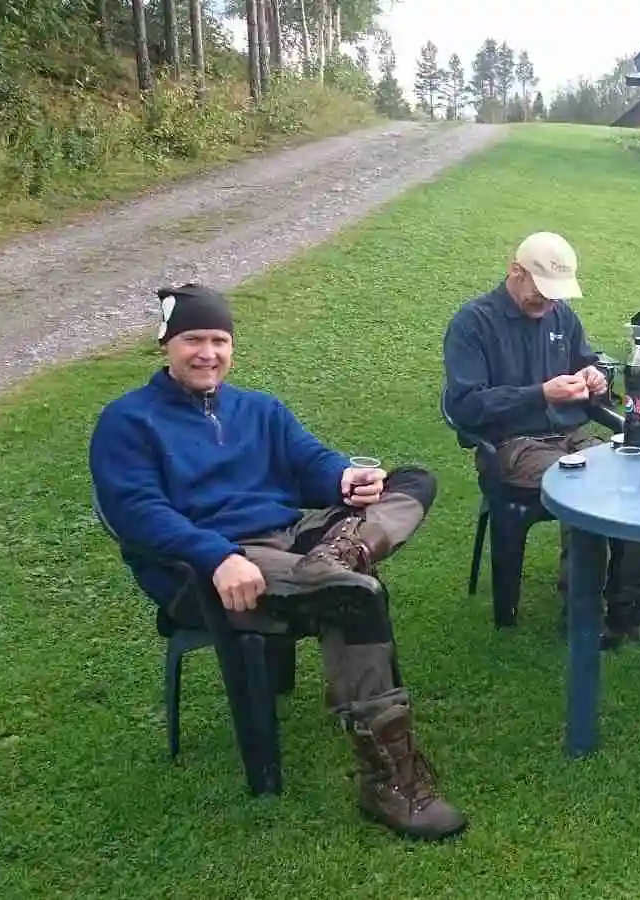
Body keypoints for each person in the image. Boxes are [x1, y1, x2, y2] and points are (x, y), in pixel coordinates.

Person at [89, 283, 466, 841]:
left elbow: (308, 460)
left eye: (219, 339)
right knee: (353, 595)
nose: (208, 353)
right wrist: (216, 555)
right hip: (213, 566)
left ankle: (342, 551)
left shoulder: (258, 408)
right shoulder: (128, 422)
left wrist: (344, 477)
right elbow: (137, 513)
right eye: (193, 339)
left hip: (293, 541)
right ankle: (389, 781)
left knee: (412, 480)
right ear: (166, 344)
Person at [441, 231, 640, 647]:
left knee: (630, 476)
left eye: (556, 295)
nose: (550, 303)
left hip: (570, 433)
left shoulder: (560, 317)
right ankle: (582, 611)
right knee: (585, 486)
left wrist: (595, 378)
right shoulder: (472, 323)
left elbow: (588, 362)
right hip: (511, 446)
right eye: (542, 293)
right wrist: (540, 394)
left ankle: (630, 606)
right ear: (515, 272)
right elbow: (464, 406)